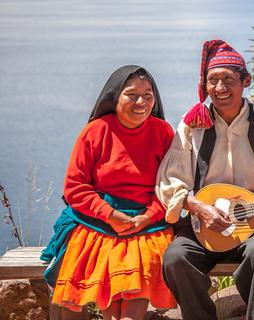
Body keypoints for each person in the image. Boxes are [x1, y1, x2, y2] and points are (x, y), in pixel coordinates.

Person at [157, 39, 254, 320]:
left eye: (228, 79)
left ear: (245, 81)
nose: (220, 88)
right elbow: (171, 180)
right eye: (213, 80)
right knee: (176, 257)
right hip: (203, 224)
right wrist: (199, 207)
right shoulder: (193, 124)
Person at [40, 65, 176, 319]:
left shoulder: (163, 132)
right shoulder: (96, 131)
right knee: (105, 262)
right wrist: (111, 215)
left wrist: (147, 216)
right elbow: (75, 187)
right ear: (115, 97)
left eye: (148, 95)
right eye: (132, 94)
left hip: (147, 222)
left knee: (143, 262)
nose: (141, 102)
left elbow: (174, 186)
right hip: (98, 220)